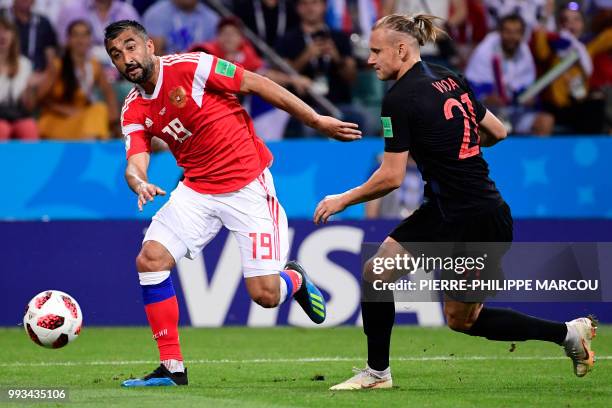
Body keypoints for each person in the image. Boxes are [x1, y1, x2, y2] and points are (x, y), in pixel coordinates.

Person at [314, 13, 597, 390]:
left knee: (462, 319)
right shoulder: (449, 77)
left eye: (376, 51)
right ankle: (377, 373)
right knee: (377, 274)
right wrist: (455, 148)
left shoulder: (398, 99)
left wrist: (342, 199)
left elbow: (392, 176)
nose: (370, 60)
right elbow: (498, 130)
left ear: (402, 50)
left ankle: (567, 334)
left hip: (476, 218)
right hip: (443, 208)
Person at [103, 19, 360, 387]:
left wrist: (316, 120)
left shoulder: (191, 66)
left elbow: (257, 83)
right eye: (116, 54)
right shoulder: (132, 108)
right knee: (150, 259)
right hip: (197, 191)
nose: (125, 58)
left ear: (148, 46)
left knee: (266, 296)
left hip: (247, 187)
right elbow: (135, 162)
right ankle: (172, 368)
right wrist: (139, 181)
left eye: (130, 46)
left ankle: (295, 280)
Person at [465, 14, 548, 135]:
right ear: (500, 32)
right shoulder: (485, 50)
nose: (512, 37)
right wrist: (485, 97)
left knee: (545, 121)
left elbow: (527, 86)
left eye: (517, 32)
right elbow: (471, 85)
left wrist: (529, 98)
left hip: (515, 111)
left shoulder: (524, 51)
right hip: (490, 112)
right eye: (508, 32)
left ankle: (537, 154)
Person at [38, 20, 119, 140]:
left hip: (83, 119)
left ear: (90, 39)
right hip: (57, 121)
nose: (80, 40)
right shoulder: (57, 65)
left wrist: (113, 117)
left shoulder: (94, 65)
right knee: (96, 116)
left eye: (85, 35)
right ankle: (94, 148)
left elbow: (109, 93)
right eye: (76, 35)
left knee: (99, 109)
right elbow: (40, 98)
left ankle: (92, 144)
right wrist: (63, 109)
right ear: (68, 40)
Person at [0, 14, 38, 140]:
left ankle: (31, 160)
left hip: (18, 114)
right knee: (2, 128)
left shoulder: (24, 63)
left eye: (6, 30)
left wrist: (30, 88)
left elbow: (28, 106)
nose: (2, 35)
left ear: (13, 36)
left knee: (29, 127)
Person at [142, 0, 219, 55]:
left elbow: (215, 55)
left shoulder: (212, 19)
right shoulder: (156, 14)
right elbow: (154, 53)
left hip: (200, 70)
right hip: (167, 70)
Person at [0, 0, 57, 72]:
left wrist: (46, 77)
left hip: (37, 76)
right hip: (5, 74)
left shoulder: (43, 22)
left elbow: (51, 57)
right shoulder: (2, 16)